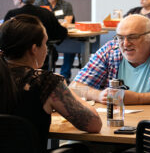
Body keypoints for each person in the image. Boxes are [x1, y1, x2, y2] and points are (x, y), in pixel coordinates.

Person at [0, 14, 102, 152]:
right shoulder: (44, 82)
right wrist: (62, 86)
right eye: (45, 43)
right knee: (80, 149)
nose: (46, 49)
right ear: (34, 49)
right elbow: (94, 124)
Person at [70, 14, 150, 105]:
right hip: (113, 126)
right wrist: (98, 96)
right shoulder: (110, 50)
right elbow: (75, 87)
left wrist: (137, 98)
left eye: (133, 37)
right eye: (120, 37)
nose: (125, 44)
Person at [4, 0, 67, 70]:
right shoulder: (46, 13)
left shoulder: (12, 15)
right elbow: (60, 33)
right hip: (43, 58)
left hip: (15, 58)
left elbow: (5, 37)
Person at [35, 0, 75, 83]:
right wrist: (58, 23)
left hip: (61, 35)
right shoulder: (37, 3)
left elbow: (67, 22)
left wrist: (52, 23)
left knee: (72, 47)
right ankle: (46, 76)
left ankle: (64, 77)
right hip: (44, 36)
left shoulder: (66, 5)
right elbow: (36, 22)